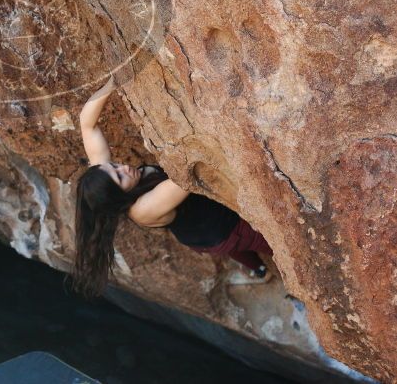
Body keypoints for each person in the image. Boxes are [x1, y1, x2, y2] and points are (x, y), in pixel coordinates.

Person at [72, 77, 273, 297]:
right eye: (120, 177)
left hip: (199, 223)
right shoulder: (143, 209)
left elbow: (86, 123)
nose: (124, 168)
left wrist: (113, 82)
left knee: (237, 250)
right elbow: (188, 173)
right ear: (120, 197)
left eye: (114, 166)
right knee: (262, 242)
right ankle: (262, 268)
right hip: (220, 229)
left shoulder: (108, 177)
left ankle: (258, 270)